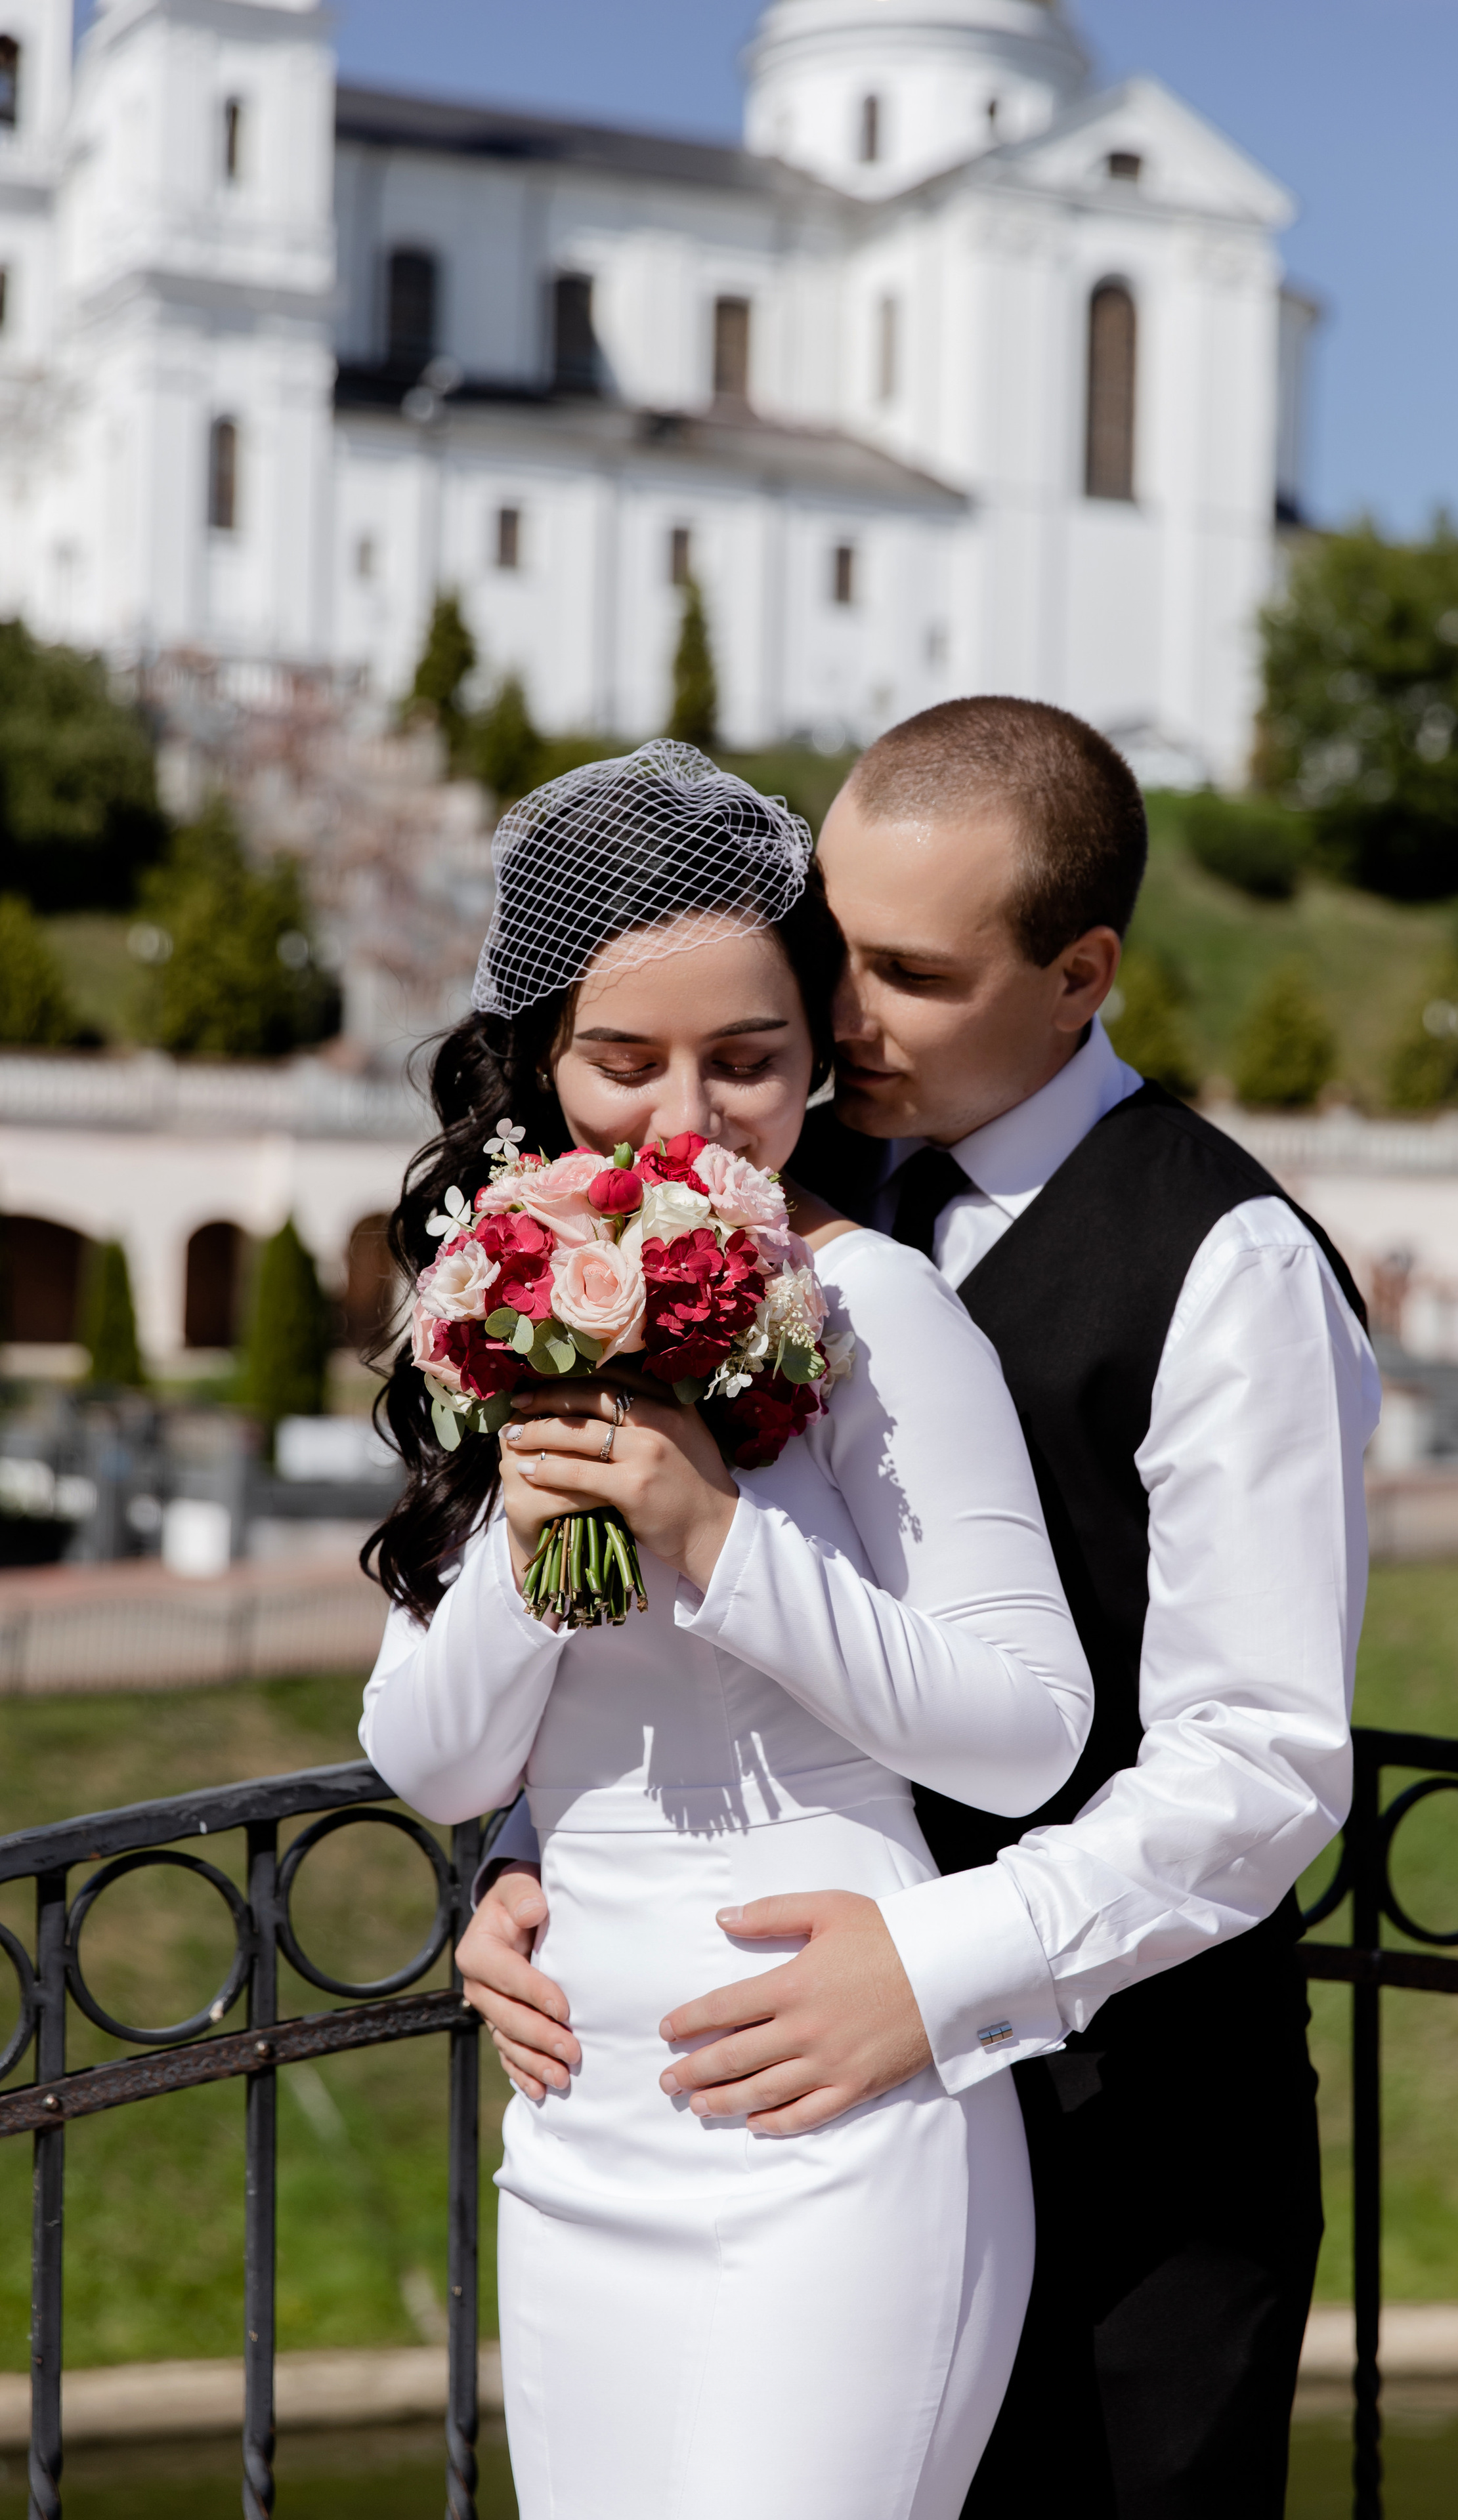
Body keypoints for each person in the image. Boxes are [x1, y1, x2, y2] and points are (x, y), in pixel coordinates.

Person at [460, 699, 1382, 2518]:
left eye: (909, 971)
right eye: (834, 949)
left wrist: (937, 1966)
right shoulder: (771, 1197)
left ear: (1080, 971)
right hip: (770, 2156)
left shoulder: (1232, 1267)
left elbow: (1262, 1766)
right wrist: (516, 1848)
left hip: (1132, 2149)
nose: (842, 1014)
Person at [358, 740, 1094, 2520]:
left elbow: (1028, 1724)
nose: (687, 1116)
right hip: (578, 2131)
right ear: (539, 1059)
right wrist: (542, 1540)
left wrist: (711, 1532)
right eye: (625, 1061)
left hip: (832, 2138)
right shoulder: (487, 1304)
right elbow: (433, 1758)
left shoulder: (878, 1307)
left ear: (813, 1055)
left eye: (749, 1059)